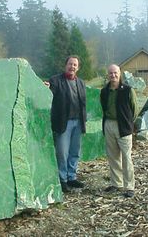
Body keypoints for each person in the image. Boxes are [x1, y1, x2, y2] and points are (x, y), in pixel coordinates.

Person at [45, 55, 87, 193]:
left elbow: (83, 103)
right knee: (62, 152)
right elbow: (49, 93)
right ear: (65, 65)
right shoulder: (56, 80)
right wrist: (46, 87)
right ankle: (62, 180)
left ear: (78, 67)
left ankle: (71, 177)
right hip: (64, 123)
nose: (72, 66)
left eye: (75, 65)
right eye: (70, 64)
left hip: (78, 122)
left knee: (75, 152)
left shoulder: (80, 82)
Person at [100, 64, 138, 198]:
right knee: (113, 156)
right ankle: (116, 183)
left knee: (126, 157)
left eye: (115, 73)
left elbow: (134, 110)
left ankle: (129, 187)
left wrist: (128, 123)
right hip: (109, 124)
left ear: (120, 73)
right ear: (108, 75)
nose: (113, 75)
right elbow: (103, 108)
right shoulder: (104, 91)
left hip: (123, 126)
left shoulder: (128, 90)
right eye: (110, 73)